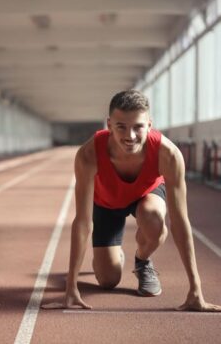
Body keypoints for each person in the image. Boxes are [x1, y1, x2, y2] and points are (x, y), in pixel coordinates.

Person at [43, 90, 221, 312]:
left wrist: (196, 289)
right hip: (106, 203)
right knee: (108, 280)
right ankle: (111, 256)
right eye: (121, 127)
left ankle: (142, 259)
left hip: (146, 196)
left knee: (155, 220)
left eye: (138, 126)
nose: (130, 136)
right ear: (109, 124)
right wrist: (71, 288)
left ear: (149, 124)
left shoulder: (169, 155)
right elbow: (82, 222)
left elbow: (180, 221)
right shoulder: (89, 155)